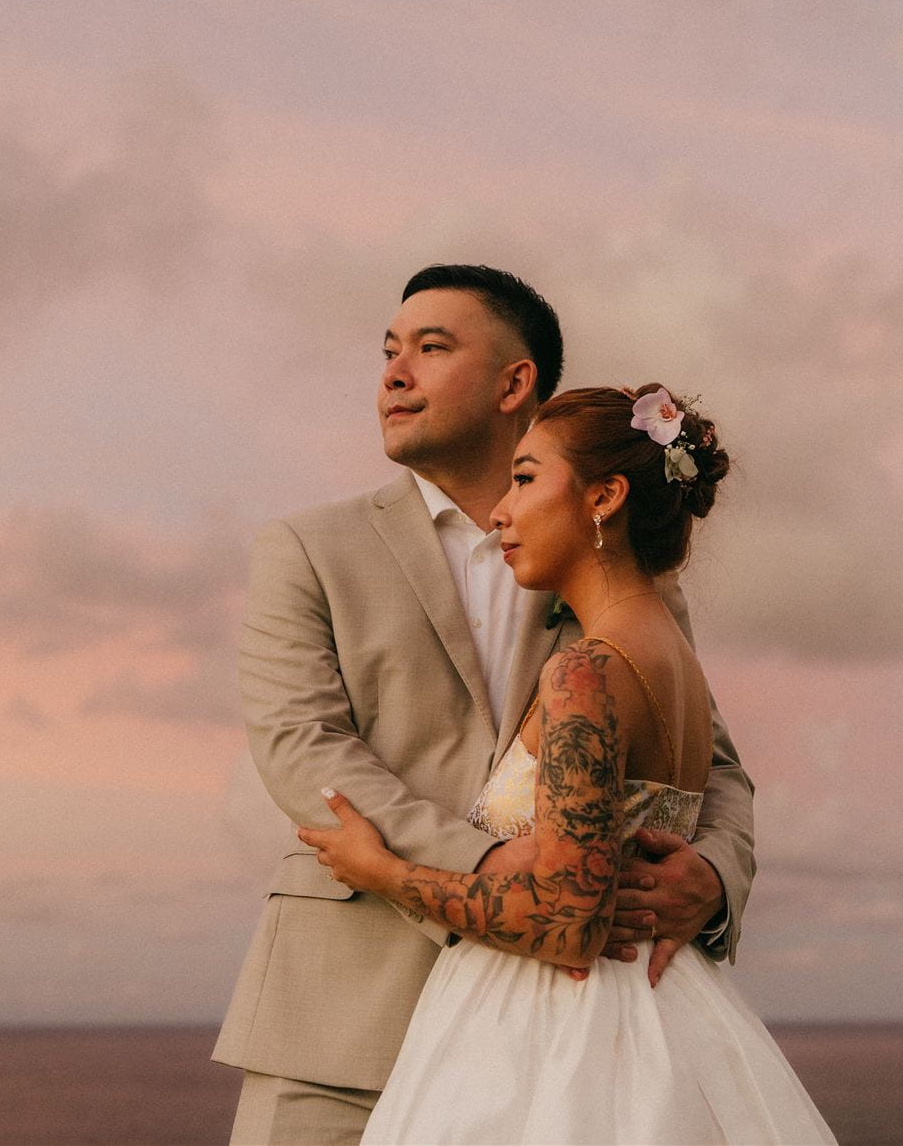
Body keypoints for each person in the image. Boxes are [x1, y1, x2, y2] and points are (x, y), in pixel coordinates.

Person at [213, 266, 756, 1144]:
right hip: (338, 1029)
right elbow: (301, 748)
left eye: (432, 348)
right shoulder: (308, 549)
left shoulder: (624, 573)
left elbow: (713, 764)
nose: (394, 373)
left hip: (560, 1040)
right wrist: (491, 866)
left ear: (515, 383)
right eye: (388, 351)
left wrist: (717, 878)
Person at [301, 385, 837, 1144]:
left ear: (605, 496)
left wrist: (382, 872)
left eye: (524, 478)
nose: (499, 511)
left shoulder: (587, 672)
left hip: (557, 1036)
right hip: (668, 1011)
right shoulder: (673, 656)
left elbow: (565, 924)